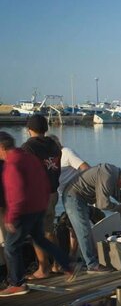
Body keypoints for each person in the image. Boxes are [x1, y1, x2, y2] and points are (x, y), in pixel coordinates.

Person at [0, 132, 73, 297]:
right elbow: (43, 181)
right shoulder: (29, 158)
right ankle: (67, 264)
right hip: (39, 207)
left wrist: (11, 217)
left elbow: (15, 193)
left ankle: (17, 283)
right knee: (40, 239)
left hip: (23, 211)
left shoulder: (12, 164)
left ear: (2, 148)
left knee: (11, 247)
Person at [62, 164, 121, 274]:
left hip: (81, 197)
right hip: (73, 197)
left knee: (83, 230)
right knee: (84, 231)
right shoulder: (108, 176)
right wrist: (120, 208)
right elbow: (102, 204)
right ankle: (92, 265)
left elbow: (118, 195)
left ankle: (84, 261)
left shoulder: (115, 175)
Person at [21, 115, 62, 279]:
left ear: (29, 129)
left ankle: (43, 269)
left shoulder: (28, 147)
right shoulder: (54, 144)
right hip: (53, 192)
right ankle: (58, 263)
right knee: (49, 230)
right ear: (46, 128)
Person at [51, 135, 91, 261]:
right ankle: (73, 255)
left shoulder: (66, 152)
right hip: (63, 195)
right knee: (72, 225)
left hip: (75, 194)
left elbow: (85, 168)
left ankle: (87, 260)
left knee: (78, 226)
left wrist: (80, 187)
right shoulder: (51, 158)